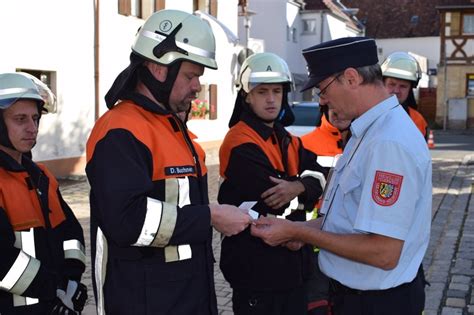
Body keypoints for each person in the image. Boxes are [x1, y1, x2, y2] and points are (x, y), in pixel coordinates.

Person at [85, 9, 252, 315]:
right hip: (142, 302)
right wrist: (211, 217)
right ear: (158, 68)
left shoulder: (172, 128)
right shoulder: (121, 130)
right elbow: (127, 221)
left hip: (187, 296)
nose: (197, 86)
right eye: (190, 75)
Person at [251, 37, 431, 315]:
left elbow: (383, 253)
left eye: (323, 89)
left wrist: (299, 231)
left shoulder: (388, 142)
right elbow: (345, 221)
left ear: (350, 78)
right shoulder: (369, 131)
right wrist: (296, 230)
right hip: (354, 297)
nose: (322, 99)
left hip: (377, 303)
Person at [218, 52, 326, 315]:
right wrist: (304, 187)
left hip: (292, 268)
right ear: (246, 96)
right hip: (256, 270)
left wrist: (298, 187)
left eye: (277, 91)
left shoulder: (286, 138)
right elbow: (274, 203)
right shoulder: (240, 142)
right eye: (262, 91)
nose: (271, 99)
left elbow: (321, 173)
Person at [0, 72, 87, 314]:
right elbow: (3, 262)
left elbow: (71, 233)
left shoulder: (41, 176)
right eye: (20, 119)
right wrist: (55, 290)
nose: (32, 128)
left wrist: (72, 281)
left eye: (35, 119)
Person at [300, 105, 352, 315]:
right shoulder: (307, 143)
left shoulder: (361, 143)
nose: (339, 112)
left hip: (348, 243)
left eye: (343, 108)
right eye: (334, 109)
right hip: (314, 242)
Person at [381, 51, 429, 139]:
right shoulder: (366, 114)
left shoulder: (417, 120)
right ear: (383, 83)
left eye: (403, 86)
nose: (396, 90)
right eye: (392, 84)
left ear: (410, 89)